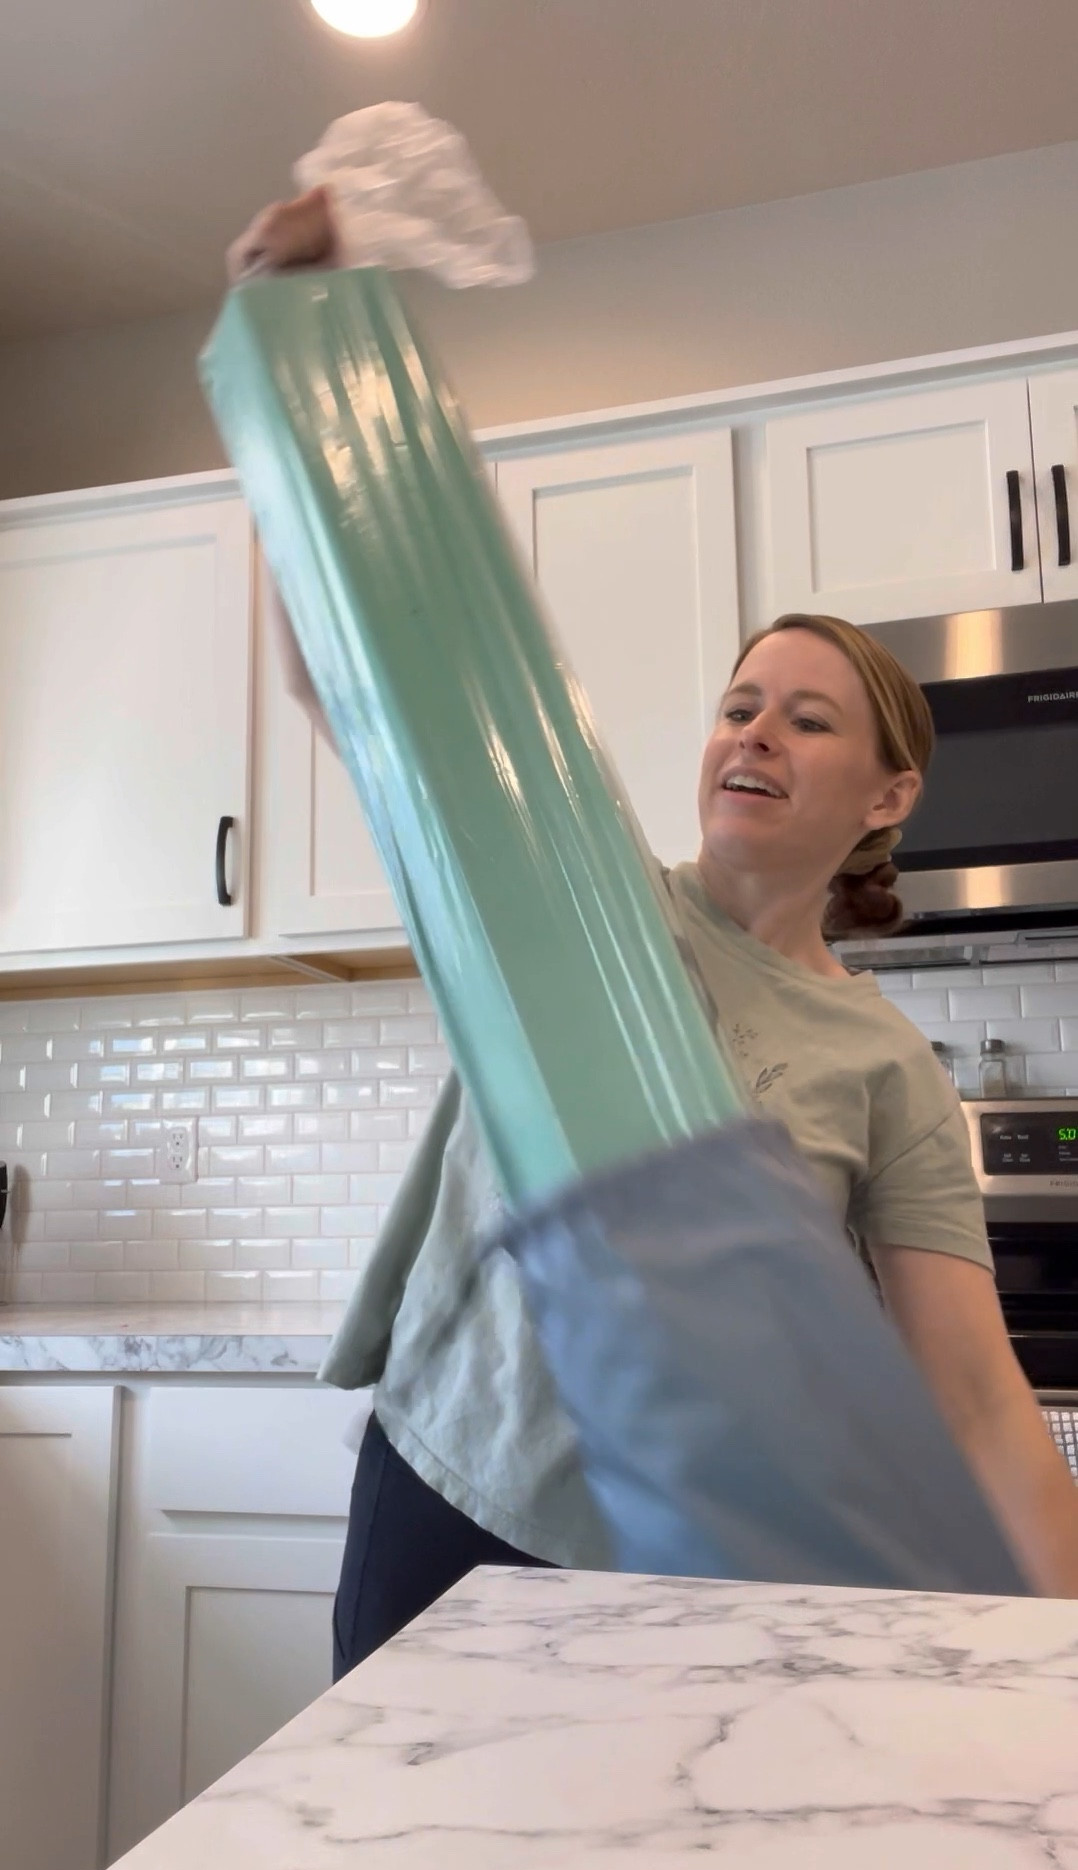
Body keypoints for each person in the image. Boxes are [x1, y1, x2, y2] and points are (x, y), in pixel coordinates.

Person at [228, 188, 1078, 1678]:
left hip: (677, 1565)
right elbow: (365, 692)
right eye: (738, 703)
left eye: (806, 718)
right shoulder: (576, 899)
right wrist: (296, 373)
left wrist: (1054, 1658)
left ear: (888, 794)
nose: (754, 731)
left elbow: (975, 1395)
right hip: (443, 1482)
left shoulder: (883, 1068)